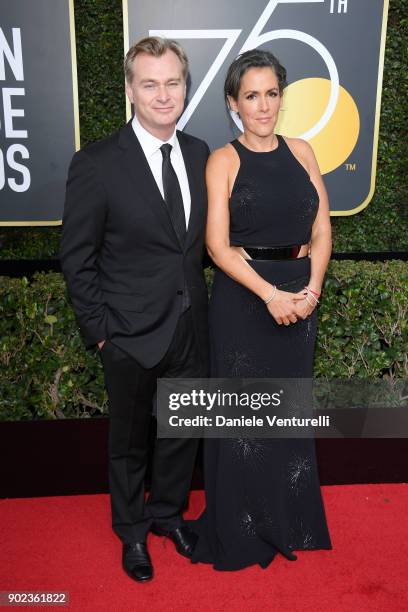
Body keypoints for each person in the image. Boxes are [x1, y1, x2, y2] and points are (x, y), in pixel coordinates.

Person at [60, 37, 210, 582]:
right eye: (150, 83)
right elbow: (77, 257)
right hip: (127, 334)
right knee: (127, 443)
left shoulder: (199, 153)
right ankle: (132, 533)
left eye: (172, 82)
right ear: (131, 89)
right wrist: (101, 333)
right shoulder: (97, 164)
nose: (163, 94)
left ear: (185, 86)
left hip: (191, 328)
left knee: (181, 432)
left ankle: (168, 516)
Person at [189, 49, 333, 570]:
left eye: (272, 93)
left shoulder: (303, 151)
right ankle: (243, 527)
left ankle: (288, 518)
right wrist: (270, 295)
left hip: (301, 294)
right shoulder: (223, 161)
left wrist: (310, 290)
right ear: (234, 103)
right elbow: (217, 246)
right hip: (245, 302)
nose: (264, 105)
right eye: (252, 95)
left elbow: (321, 227)